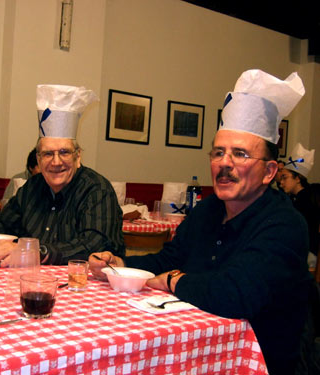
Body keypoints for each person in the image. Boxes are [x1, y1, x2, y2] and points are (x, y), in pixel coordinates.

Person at [89, 70, 311, 375]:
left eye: (240, 154)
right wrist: (120, 264)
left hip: (257, 362)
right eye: (218, 152)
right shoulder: (208, 210)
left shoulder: (284, 224)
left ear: (270, 171)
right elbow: (170, 257)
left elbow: (235, 294)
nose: (224, 164)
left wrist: (173, 281)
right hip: (195, 350)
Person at [0, 85, 125, 267]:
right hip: (33, 281)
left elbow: (95, 246)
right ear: (38, 158)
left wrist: (36, 251)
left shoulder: (96, 189)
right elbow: (4, 225)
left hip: (86, 287)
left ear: (78, 156)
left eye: (64, 152)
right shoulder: (32, 187)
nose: (56, 162)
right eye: (48, 154)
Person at [281, 143, 318, 262]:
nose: (281, 183)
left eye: (285, 178)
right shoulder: (293, 199)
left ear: (297, 179)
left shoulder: (306, 202)